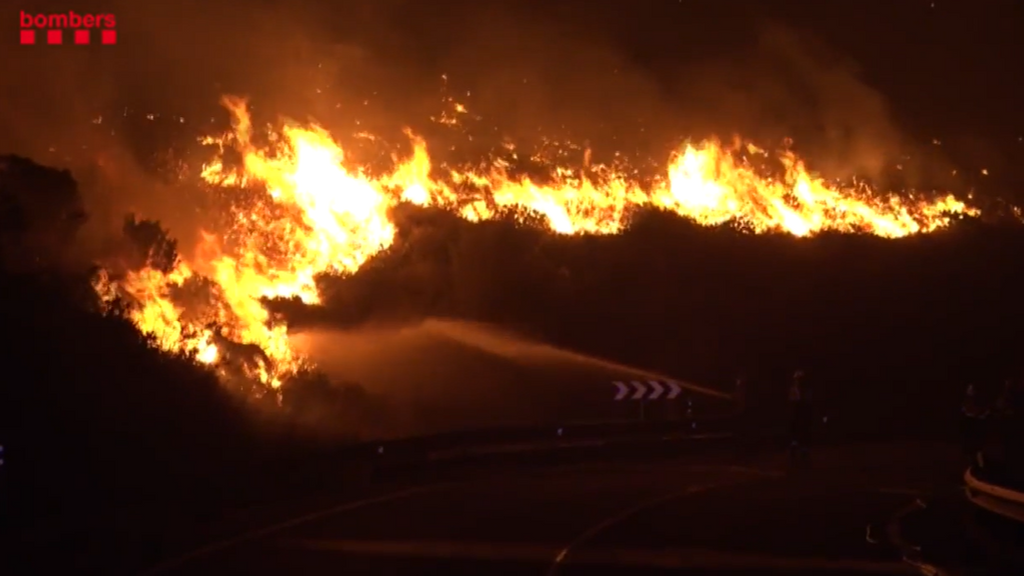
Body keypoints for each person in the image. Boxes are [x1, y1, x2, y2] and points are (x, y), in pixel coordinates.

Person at [788, 369, 812, 464]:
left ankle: (803, 454)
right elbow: (792, 402)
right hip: (795, 416)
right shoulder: (793, 389)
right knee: (795, 436)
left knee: (803, 436)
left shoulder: (806, 390)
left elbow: (807, 403)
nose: (798, 381)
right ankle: (794, 454)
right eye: (798, 379)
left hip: (803, 416)